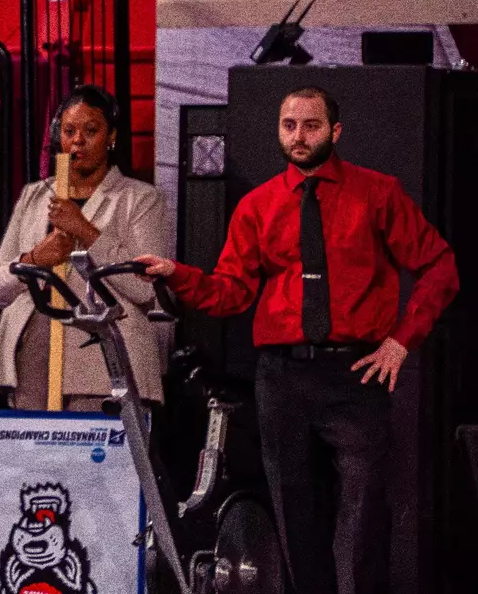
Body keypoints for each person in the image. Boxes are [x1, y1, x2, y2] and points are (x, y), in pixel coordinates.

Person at [135, 86, 459, 594]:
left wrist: (401, 340)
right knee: (294, 514)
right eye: (289, 125)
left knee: (363, 516)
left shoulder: (376, 193)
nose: (299, 136)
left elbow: (440, 265)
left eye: (311, 126)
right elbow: (230, 293)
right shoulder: (258, 206)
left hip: (355, 372)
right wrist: (176, 274)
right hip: (283, 376)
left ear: (335, 131)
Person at [0, 86, 169, 409]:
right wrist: (34, 258)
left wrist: (83, 229)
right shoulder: (35, 195)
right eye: (69, 131)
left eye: (91, 130)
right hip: (34, 352)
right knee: (34, 455)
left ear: (111, 136)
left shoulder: (139, 199)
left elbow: (144, 289)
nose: (78, 140)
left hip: (104, 356)